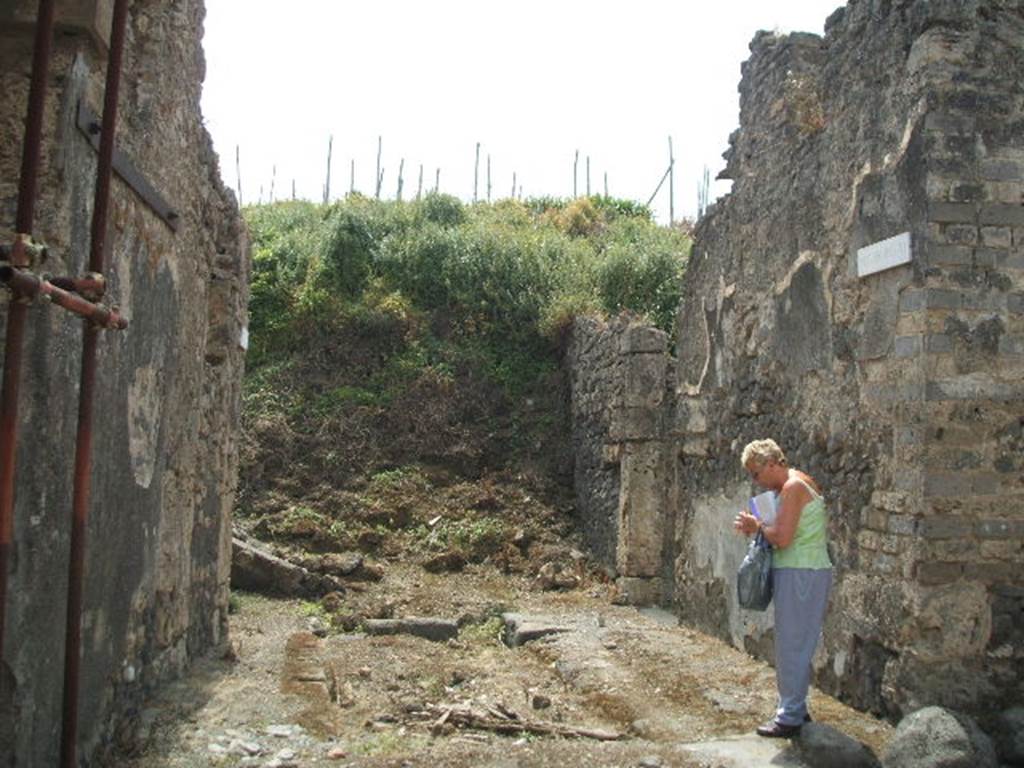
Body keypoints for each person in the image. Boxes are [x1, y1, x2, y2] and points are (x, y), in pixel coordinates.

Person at [733, 438, 832, 738]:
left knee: (792, 642)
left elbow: (783, 537)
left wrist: (757, 527)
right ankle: (794, 707)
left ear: (772, 464)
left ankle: (789, 716)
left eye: (756, 473)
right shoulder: (794, 484)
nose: (755, 480)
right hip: (803, 568)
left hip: (801, 569)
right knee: (795, 639)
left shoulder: (792, 487)